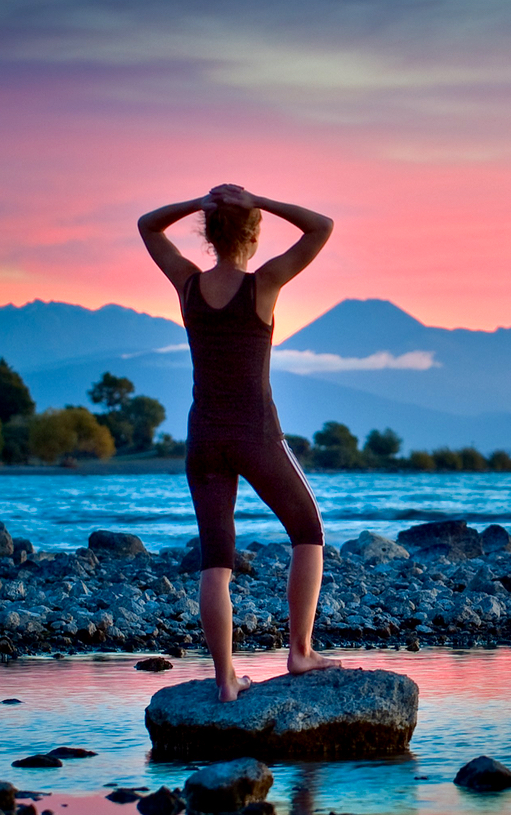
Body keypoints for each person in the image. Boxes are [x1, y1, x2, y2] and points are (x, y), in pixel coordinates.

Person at [138, 183, 340, 701]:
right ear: (252, 234)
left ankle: (225, 679)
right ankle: (300, 651)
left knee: (216, 559)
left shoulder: (186, 284)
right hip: (256, 433)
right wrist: (263, 201)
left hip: (203, 437)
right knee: (308, 530)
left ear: (208, 234)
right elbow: (321, 226)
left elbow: (147, 225)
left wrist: (196, 204)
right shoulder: (264, 283)